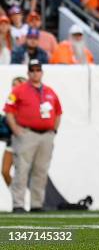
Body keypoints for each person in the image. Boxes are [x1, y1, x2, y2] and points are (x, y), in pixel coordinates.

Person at [3, 60, 62, 212]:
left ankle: (37, 204)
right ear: (28, 73)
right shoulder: (18, 91)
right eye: (33, 70)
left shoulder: (49, 91)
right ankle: (18, 204)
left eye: (38, 70)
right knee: (21, 170)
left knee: (41, 170)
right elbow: (8, 110)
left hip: (46, 136)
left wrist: (53, 130)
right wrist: (15, 129)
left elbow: (58, 112)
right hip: (26, 133)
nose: (35, 73)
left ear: (42, 72)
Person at [1, 77, 27, 187]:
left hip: (24, 143)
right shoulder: (10, 102)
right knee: (5, 171)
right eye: (13, 85)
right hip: (11, 142)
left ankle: (21, 199)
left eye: (17, 85)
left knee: (21, 174)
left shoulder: (29, 102)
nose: (14, 88)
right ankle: (16, 196)